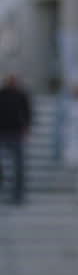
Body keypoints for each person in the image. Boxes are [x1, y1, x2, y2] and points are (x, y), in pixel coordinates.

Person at [0, 74, 32, 205]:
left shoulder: (21, 94)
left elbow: (27, 112)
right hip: (2, 132)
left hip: (16, 133)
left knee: (19, 166)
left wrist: (27, 127)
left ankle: (18, 195)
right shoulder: (1, 94)